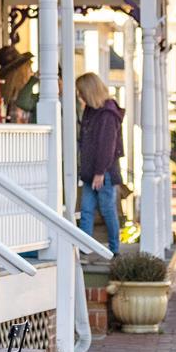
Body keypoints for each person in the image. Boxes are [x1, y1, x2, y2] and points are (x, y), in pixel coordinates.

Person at [75, 72, 125, 254]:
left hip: (105, 173)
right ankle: (85, 249)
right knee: (86, 211)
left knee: (107, 210)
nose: (80, 96)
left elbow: (107, 146)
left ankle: (114, 250)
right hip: (90, 173)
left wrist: (99, 172)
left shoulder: (107, 114)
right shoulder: (91, 111)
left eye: (81, 93)